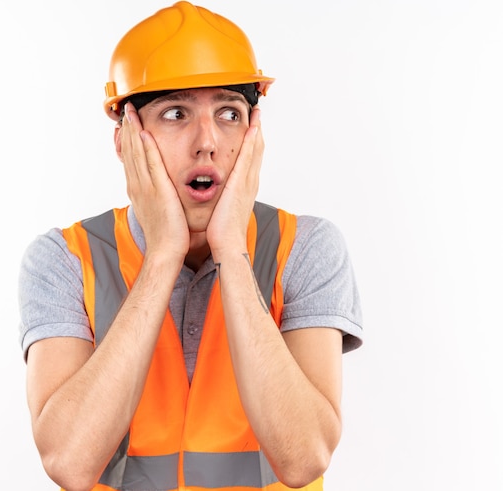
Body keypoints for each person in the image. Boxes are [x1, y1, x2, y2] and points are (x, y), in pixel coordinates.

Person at [18, 2, 363, 490]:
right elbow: (69, 463)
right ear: (124, 142)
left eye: (228, 113)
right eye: (176, 113)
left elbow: (305, 457)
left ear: (253, 133)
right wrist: (162, 256)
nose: (208, 142)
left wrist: (231, 251)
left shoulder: (305, 247)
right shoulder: (65, 259)